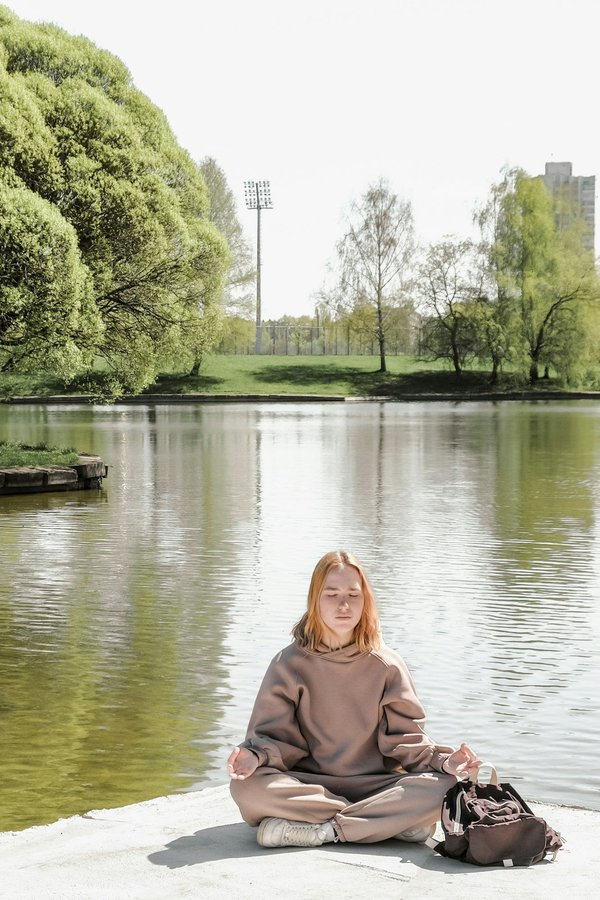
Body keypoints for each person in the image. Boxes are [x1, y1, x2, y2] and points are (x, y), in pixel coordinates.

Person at [227, 550, 481, 848]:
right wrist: (254, 755)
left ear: (366, 600)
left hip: (375, 785)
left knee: (450, 787)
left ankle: (324, 830)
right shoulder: (288, 664)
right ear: (315, 600)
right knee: (247, 789)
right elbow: (274, 739)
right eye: (332, 594)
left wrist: (445, 761)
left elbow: (407, 741)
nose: (344, 605)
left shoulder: (387, 665)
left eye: (353, 595)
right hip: (306, 784)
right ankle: (385, 823)